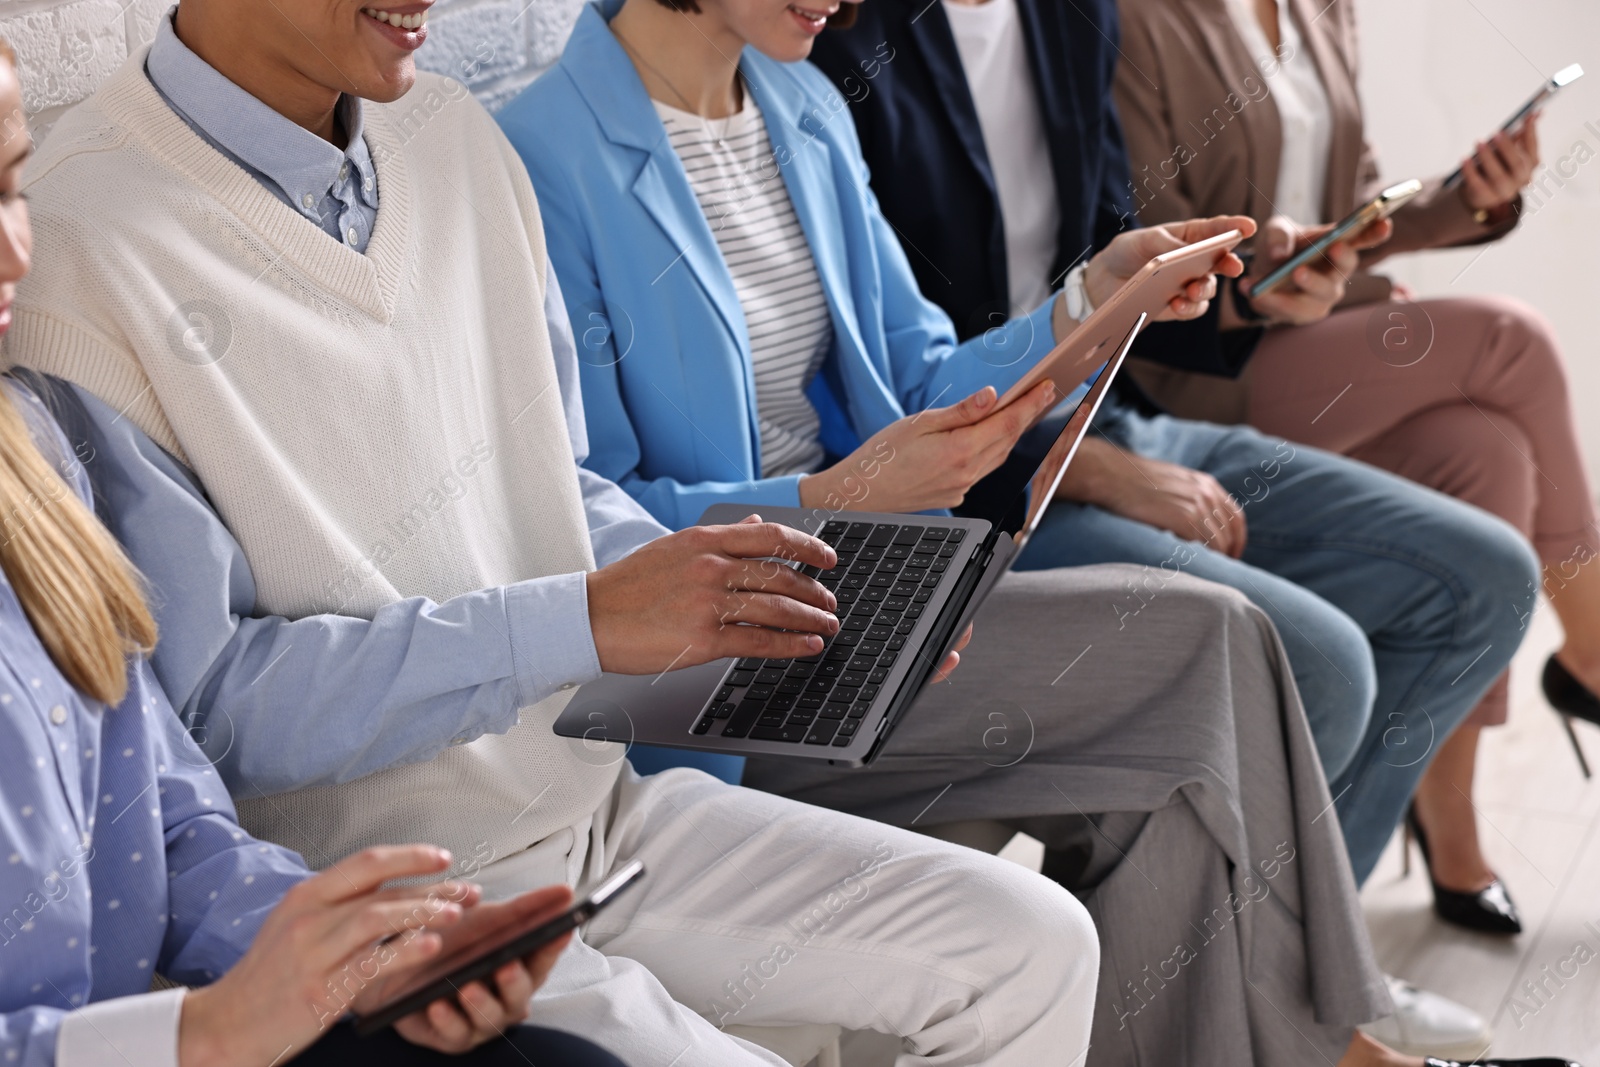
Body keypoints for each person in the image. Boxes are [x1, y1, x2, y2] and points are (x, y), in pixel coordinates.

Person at [8, 1, 1116, 1063]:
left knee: (1035, 948)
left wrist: (777, 617)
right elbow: (205, 714)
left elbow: (559, 484)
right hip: (382, 893)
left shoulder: (455, 140)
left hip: (595, 811)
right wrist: (577, 624)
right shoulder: (71, 246)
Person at [496, 2, 1561, 1066]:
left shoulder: (802, 104)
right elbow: (593, 518)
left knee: (1197, 704)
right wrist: (840, 490)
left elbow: (919, 380)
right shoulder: (539, 155)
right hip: (723, 643)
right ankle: (1339, 1055)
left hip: (867, 581)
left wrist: (1096, 299)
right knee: (1203, 657)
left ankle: (1312, 1049)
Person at [0, 42, 623, 1066]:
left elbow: (169, 810)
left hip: (553, 805)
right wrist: (197, 1033)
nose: (18, 252)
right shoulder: (101, 251)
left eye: (11, 186)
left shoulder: (29, 460)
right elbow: (222, 713)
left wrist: (357, 948)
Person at [1111, 0, 1600, 947]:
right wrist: (1275, 267)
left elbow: (1361, 202)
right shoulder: (1136, 19)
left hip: (1314, 332)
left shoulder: (1319, 6)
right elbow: (1134, 233)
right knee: (1513, 339)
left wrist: (1467, 198)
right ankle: (1593, 648)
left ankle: (1446, 811)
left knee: (1488, 451)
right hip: (1205, 363)